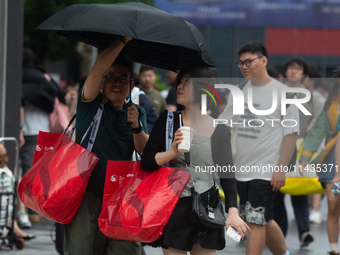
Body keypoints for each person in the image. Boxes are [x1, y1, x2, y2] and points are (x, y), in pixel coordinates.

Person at [141, 65, 250, 255]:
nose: (179, 87)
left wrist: (232, 210)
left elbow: (227, 174)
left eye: (186, 82)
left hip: (207, 207)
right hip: (174, 206)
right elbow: (147, 161)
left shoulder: (219, 129)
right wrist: (173, 152)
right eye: (179, 82)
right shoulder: (168, 121)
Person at [63, 36, 149, 255]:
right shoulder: (90, 104)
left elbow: (144, 152)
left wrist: (137, 127)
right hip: (86, 195)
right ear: (101, 82)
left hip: (122, 196)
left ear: (131, 85)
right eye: (110, 77)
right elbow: (95, 70)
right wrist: (122, 41)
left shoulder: (137, 112)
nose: (116, 83)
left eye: (122, 79)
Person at [219, 41, 297, 255]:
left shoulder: (284, 93)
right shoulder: (240, 91)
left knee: (255, 221)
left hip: (267, 170)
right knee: (261, 217)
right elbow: (225, 124)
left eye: (248, 62)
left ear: (264, 60)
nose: (244, 67)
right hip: (242, 169)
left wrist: (281, 168)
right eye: (241, 63)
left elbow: (291, 134)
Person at [273, 57, 315, 248]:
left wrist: (313, 126)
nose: (293, 71)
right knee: (278, 191)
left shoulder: (312, 97)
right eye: (290, 68)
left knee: (300, 190)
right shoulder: (277, 93)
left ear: (304, 74)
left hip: (302, 148)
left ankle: (304, 231)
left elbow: (322, 120)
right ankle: (279, 234)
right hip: (280, 146)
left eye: (297, 69)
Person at [300, 66, 340, 255]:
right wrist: (305, 157)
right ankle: (333, 248)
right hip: (333, 159)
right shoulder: (332, 104)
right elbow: (317, 131)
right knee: (333, 206)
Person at [20, 48, 58, 228]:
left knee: (25, 169)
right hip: (42, 129)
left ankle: (28, 209)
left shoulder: (18, 77)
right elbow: (57, 96)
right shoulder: (42, 78)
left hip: (25, 128)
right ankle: (32, 208)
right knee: (36, 170)